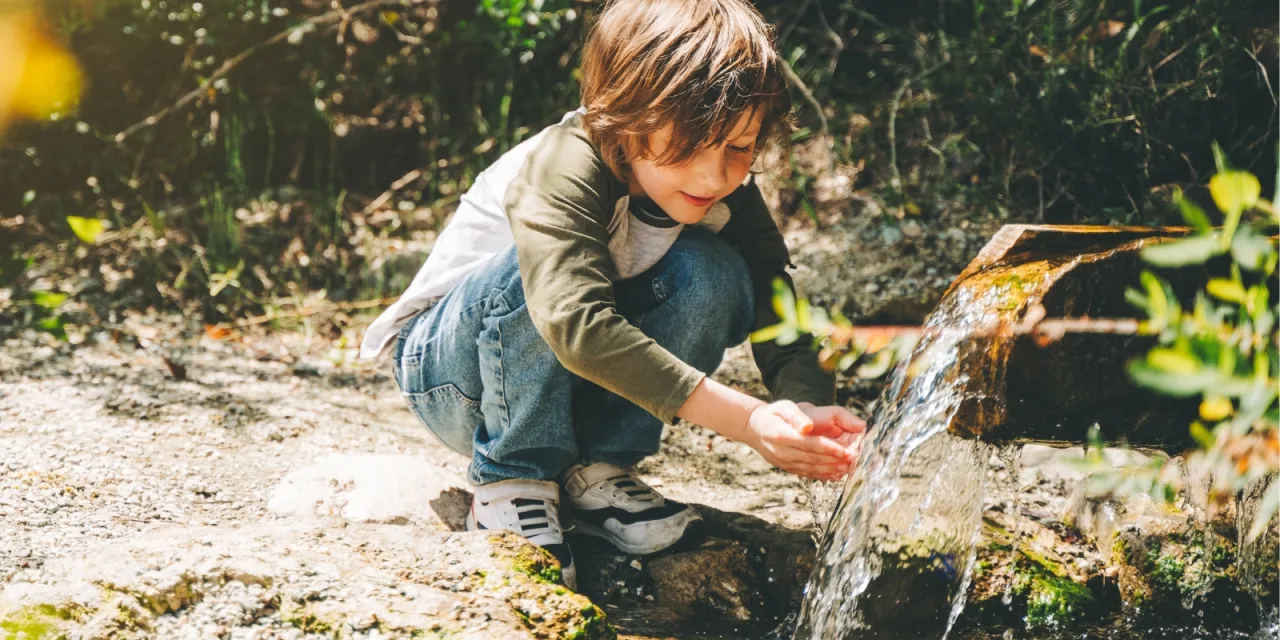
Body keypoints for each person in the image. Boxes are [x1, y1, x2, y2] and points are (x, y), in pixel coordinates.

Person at [359, 0, 866, 590]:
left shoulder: (728, 195)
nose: (713, 175)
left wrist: (800, 406)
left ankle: (596, 470)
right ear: (627, 116)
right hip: (452, 376)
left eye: (738, 147)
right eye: (688, 145)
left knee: (721, 273)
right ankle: (512, 476)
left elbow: (776, 299)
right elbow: (573, 322)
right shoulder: (564, 164)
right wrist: (750, 421)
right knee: (542, 280)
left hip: (569, 380)